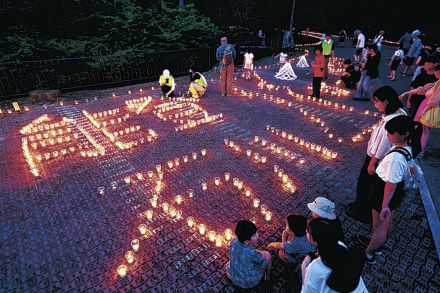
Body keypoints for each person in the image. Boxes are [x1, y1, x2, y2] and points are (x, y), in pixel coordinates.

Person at [358, 115, 422, 264]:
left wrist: (385, 205)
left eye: (391, 133)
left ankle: (369, 253)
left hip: (384, 192)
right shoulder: (409, 146)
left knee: (379, 227)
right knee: (388, 221)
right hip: (395, 191)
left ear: (405, 134)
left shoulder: (395, 158)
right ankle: (378, 245)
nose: (388, 136)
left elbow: (390, 185)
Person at [346, 86, 406, 224]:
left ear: (386, 102)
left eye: (377, 101)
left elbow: (383, 145)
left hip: (377, 160)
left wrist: (372, 162)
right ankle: (364, 209)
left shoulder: (391, 122)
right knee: (369, 186)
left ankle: (362, 212)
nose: (375, 104)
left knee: (364, 185)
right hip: (381, 159)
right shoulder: (399, 113)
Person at [301, 218, 367, 293]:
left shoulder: (315, 267)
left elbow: (307, 291)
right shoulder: (341, 245)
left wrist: (304, 265)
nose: (306, 231)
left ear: (316, 240)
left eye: (308, 232)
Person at [399, 65, 440, 152]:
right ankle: (414, 147)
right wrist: (406, 93)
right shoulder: (436, 83)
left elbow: (434, 100)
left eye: (436, 71)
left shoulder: (438, 84)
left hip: (428, 109)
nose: (435, 73)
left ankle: (418, 150)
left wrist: (424, 111)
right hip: (424, 107)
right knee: (418, 128)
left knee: (423, 131)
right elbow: (421, 89)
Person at [226, 220, 272, 289]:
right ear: (247, 239)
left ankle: (233, 277)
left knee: (228, 264)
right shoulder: (251, 252)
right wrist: (262, 253)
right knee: (268, 255)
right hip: (250, 281)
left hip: (236, 278)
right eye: (254, 235)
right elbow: (260, 259)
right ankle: (267, 277)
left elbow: (244, 251)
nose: (257, 235)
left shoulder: (233, 241)